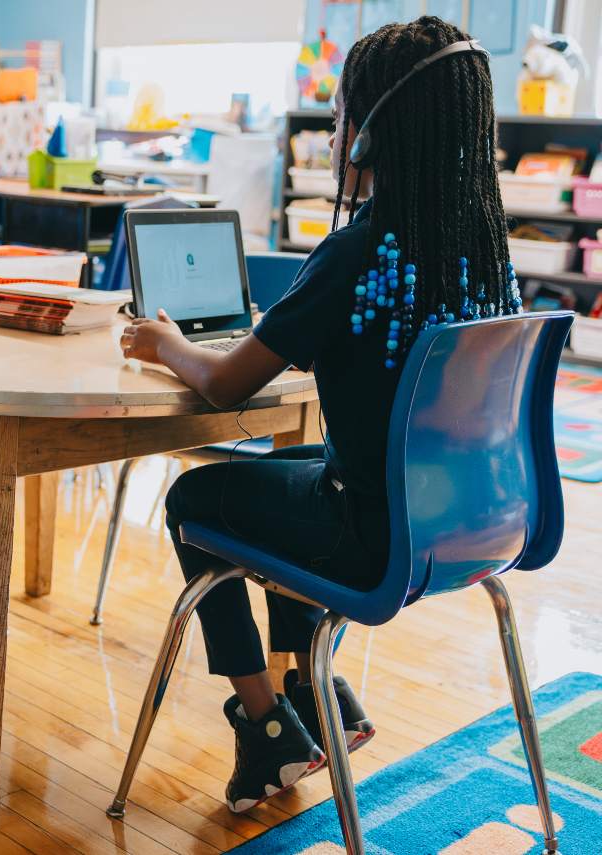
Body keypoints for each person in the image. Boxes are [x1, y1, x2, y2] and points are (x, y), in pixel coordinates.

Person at [120, 16, 514, 814]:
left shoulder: (354, 253)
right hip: (476, 521)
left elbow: (227, 386)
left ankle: (266, 723)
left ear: (370, 137)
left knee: (195, 501)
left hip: (374, 536)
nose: (331, 138)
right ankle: (316, 690)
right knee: (287, 480)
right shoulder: (480, 254)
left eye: (337, 120)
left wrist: (164, 342)